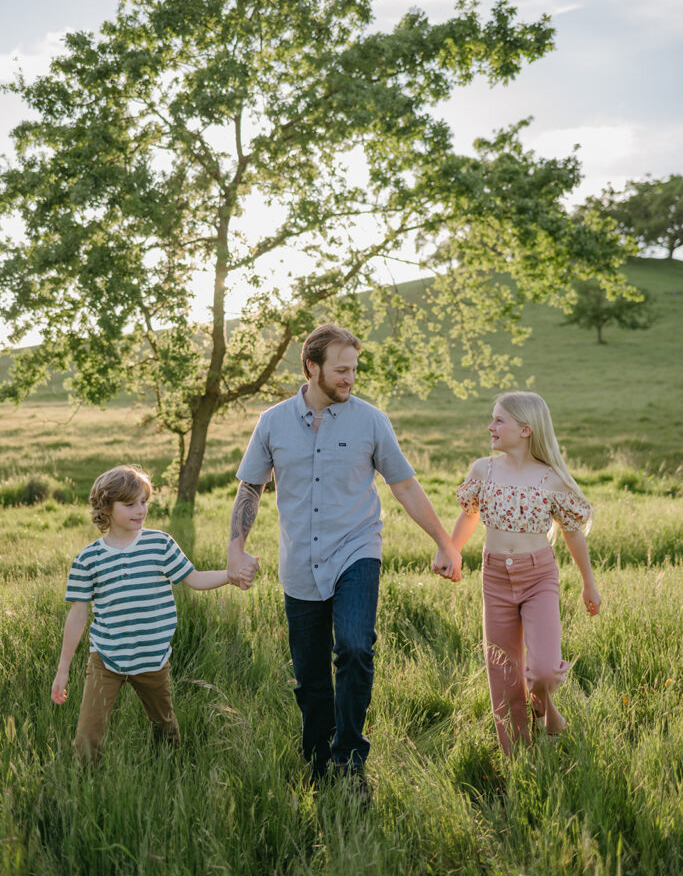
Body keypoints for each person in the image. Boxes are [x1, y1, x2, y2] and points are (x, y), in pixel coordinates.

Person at [227, 323, 461, 791]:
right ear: (311, 367)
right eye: (341, 370)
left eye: (353, 369)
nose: (350, 378)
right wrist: (235, 547)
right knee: (310, 676)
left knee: (355, 647)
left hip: (358, 550)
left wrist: (443, 542)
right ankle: (317, 763)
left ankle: (351, 759)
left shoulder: (371, 421)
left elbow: (404, 484)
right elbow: (250, 486)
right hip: (299, 562)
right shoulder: (272, 422)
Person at [51, 464, 259, 761]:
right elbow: (78, 615)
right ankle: (87, 785)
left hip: (152, 656)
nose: (140, 510)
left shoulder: (160, 544)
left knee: (165, 729)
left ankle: (170, 772)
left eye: (144, 502)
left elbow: (194, 579)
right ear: (106, 507)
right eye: (130, 504)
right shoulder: (88, 559)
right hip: (105, 658)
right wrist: (63, 670)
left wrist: (231, 575)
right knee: (87, 739)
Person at [449, 391, 601, 755]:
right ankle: (518, 758)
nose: (491, 426)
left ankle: (544, 704)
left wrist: (588, 584)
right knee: (503, 672)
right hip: (495, 577)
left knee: (544, 671)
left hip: (538, 577)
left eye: (499, 420)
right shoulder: (482, 470)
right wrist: (452, 552)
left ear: (526, 429)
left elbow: (572, 533)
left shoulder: (551, 479)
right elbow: (470, 514)